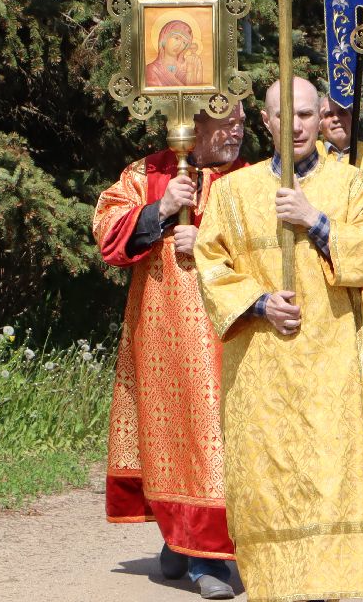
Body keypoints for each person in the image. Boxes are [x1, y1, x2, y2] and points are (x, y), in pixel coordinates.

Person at [192, 78, 363, 602]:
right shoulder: (232, 192)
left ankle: (334, 586)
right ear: (268, 123)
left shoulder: (353, 185)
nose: (299, 125)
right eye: (286, 116)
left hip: (329, 360)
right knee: (267, 476)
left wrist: (318, 222)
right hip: (260, 362)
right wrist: (260, 302)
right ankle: (275, 585)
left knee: (330, 472)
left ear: (321, 116)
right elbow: (209, 263)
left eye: (308, 114)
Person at [94, 104, 247, 600]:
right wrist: (160, 209)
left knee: (214, 436)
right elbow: (107, 232)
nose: (237, 128)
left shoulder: (247, 178)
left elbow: (272, 246)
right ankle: (177, 536)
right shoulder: (148, 172)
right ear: (192, 125)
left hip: (224, 327)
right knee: (169, 434)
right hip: (160, 326)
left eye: (243, 119)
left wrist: (208, 241)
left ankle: (210, 558)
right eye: (227, 120)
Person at [319, 96, 363, 168]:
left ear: (353, 118)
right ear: (319, 125)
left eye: (342, 112)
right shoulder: (308, 154)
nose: (336, 119)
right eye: (329, 114)